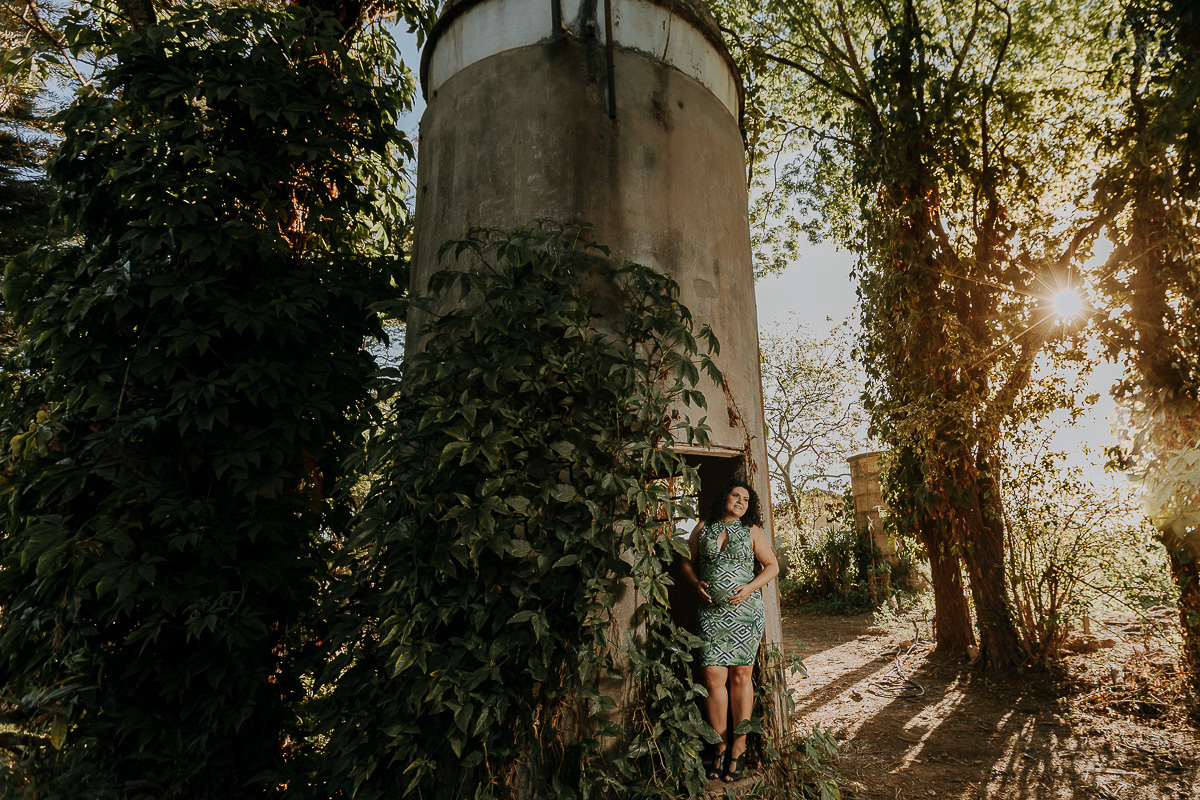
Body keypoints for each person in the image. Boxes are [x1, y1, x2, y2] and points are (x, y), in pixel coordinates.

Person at [680, 479, 780, 783]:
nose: (740, 501)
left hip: (745, 615)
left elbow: (772, 565)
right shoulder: (702, 528)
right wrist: (695, 583)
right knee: (712, 677)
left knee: (740, 676)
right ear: (724, 496)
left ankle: (739, 747)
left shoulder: (751, 530)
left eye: (746, 499)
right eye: (736, 495)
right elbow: (685, 561)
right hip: (711, 615)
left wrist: (750, 588)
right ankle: (720, 745)